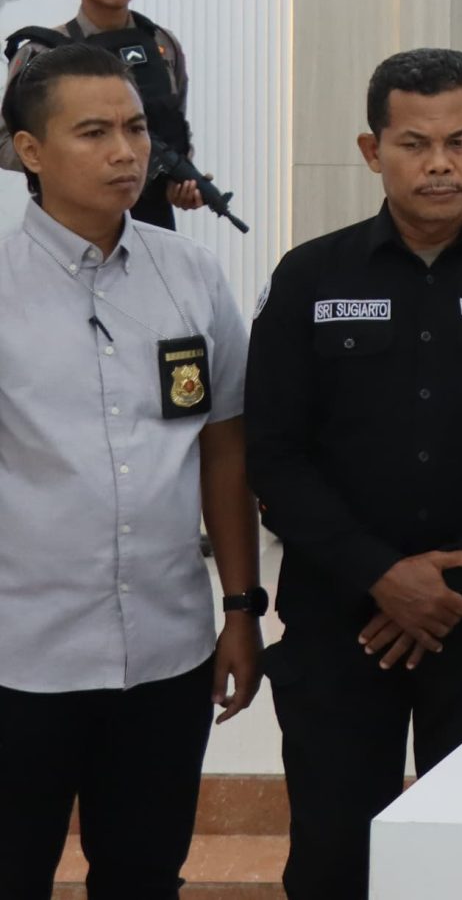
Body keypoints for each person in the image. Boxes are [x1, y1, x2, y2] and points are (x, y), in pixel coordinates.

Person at [245, 49, 462, 898]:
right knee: (332, 858)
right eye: (414, 143)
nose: (439, 163)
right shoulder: (309, 277)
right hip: (339, 625)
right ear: (372, 150)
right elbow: (274, 452)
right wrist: (383, 574)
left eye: (459, 141)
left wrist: (447, 586)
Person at [0, 44, 262, 897]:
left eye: (137, 127)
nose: (126, 151)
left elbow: (224, 445)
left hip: (165, 652)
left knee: (145, 876)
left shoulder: (190, 272)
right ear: (30, 150)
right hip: (21, 658)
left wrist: (240, 607)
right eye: (94, 132)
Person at [0, 0, 202, 228]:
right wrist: (76, 162)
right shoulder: (42, 52)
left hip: (150, 223)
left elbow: (174, 124)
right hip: (68, 222)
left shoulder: (163, 44)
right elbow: (5, 142)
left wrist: (178, 179)